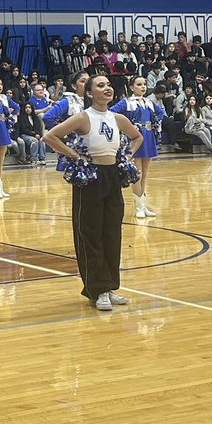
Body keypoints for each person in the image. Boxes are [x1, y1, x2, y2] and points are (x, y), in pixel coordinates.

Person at [43, 74, 143, 312]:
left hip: (112, 177)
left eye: (108, 85)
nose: (107, 88)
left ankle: (109, 287)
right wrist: (76, 156)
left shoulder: (118, 118)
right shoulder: (83, 117)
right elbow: (50, 136)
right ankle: (96, 290)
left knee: (111, 233)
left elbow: (138, 137)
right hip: (90, 178)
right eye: (100, 85)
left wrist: (126, 157)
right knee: (90, 234)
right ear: (89, 93)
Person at [111, 75, 166, 218]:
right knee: (136, 173)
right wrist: (126, 126)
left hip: (148, 137)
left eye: (144, 84)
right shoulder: (126, 102)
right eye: (139, 84)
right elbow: (111, 113)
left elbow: (161, 113)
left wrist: (154, 123)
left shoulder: (148, 102)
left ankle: (144, 205)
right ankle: (139, 207)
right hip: (134, 138)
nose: (143, 87)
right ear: (131, 87)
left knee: (145, 175)